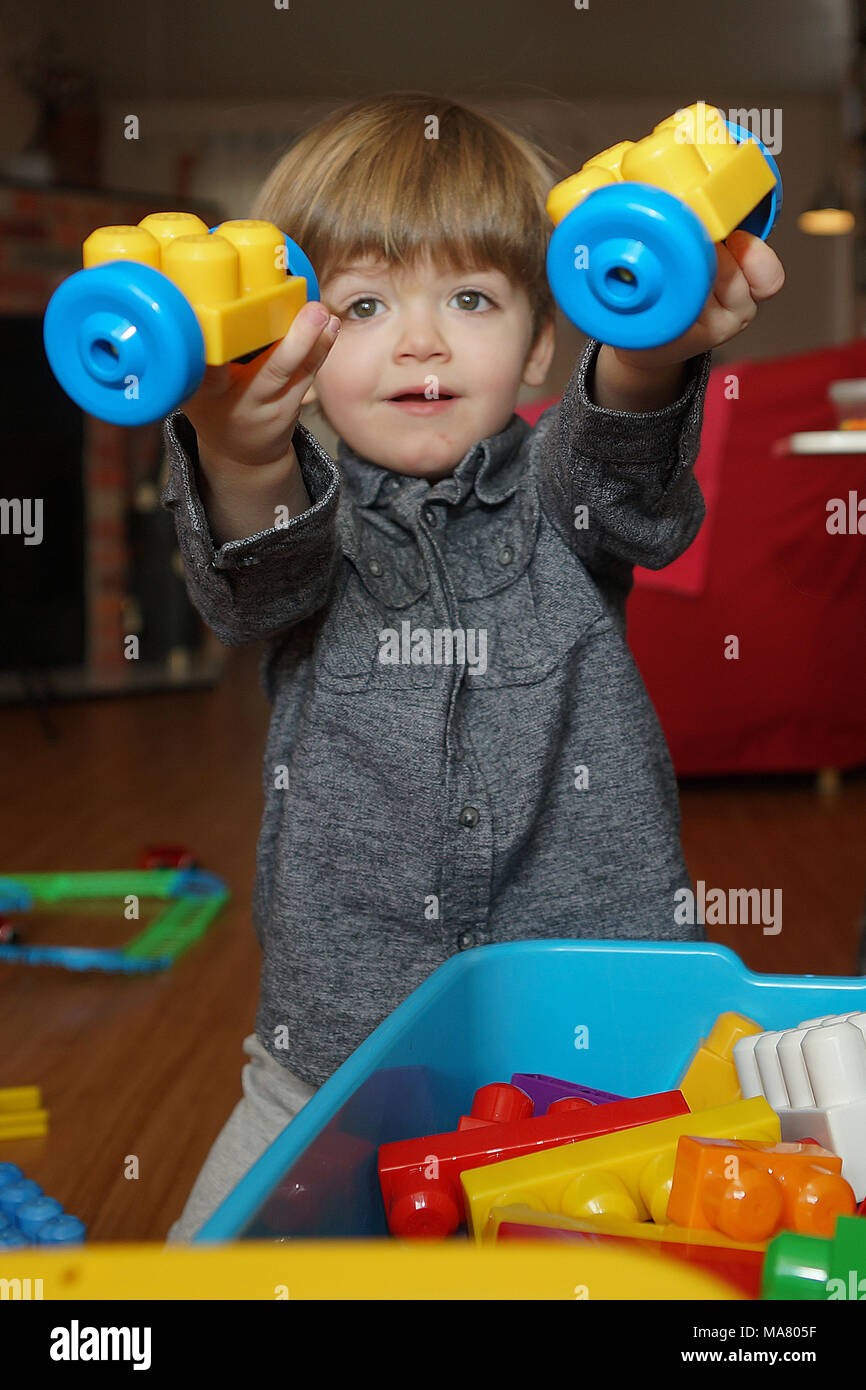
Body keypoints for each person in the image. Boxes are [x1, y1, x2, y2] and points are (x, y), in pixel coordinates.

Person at [161, 92, 785, 1241]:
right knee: (202, 1270)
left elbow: (623, 456)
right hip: (333, 1048)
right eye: (361, 304)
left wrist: (643, 347)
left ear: (541, 337)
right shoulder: (313, 517)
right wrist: (239, 447)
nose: (420, 340)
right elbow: (255, 569)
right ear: (294, 341)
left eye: (469, 297)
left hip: (594, 1042)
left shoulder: (561, 493)